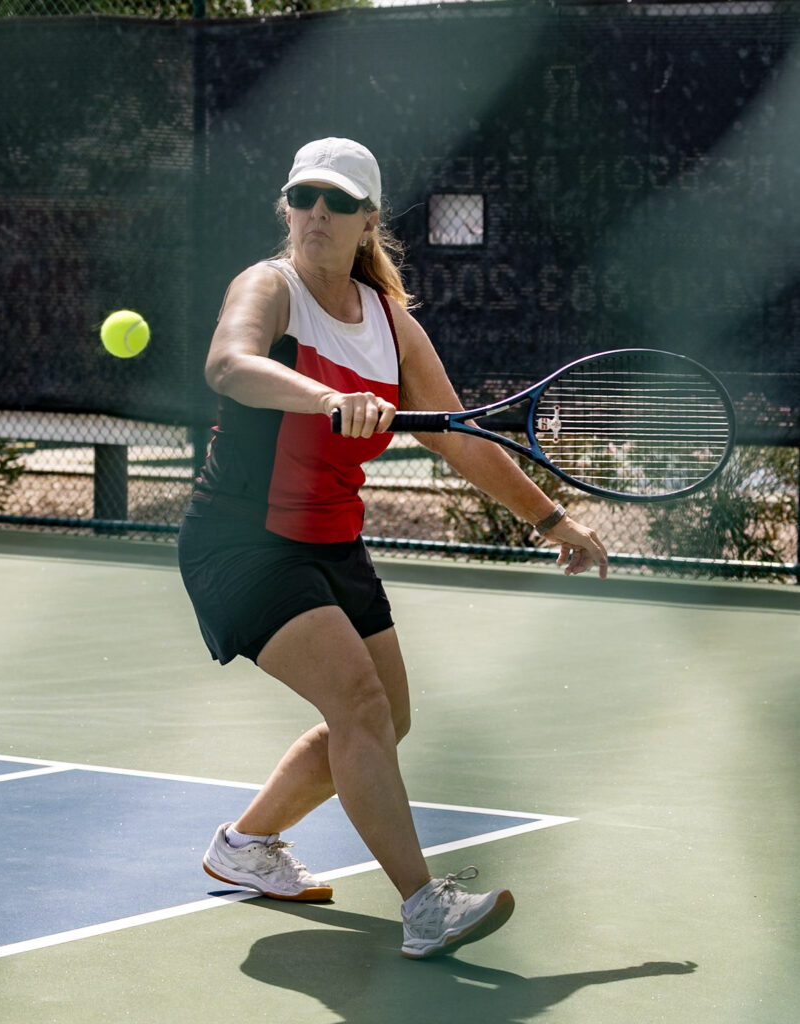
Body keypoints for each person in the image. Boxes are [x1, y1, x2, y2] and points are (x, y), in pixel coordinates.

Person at [177, 137, 608, 960]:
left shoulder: (390, 324)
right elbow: (229, 364)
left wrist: (551, 518)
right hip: (241, 543)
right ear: (287, 207)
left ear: (369, 220)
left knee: (386, 717)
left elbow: (460, 439)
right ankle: (423, 905)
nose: (318, 214)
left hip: (332, 543)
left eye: (339, 202)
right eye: (304, 197)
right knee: (361, 705)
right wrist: (324, 396)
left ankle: (245, 844)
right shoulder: (269, 287)